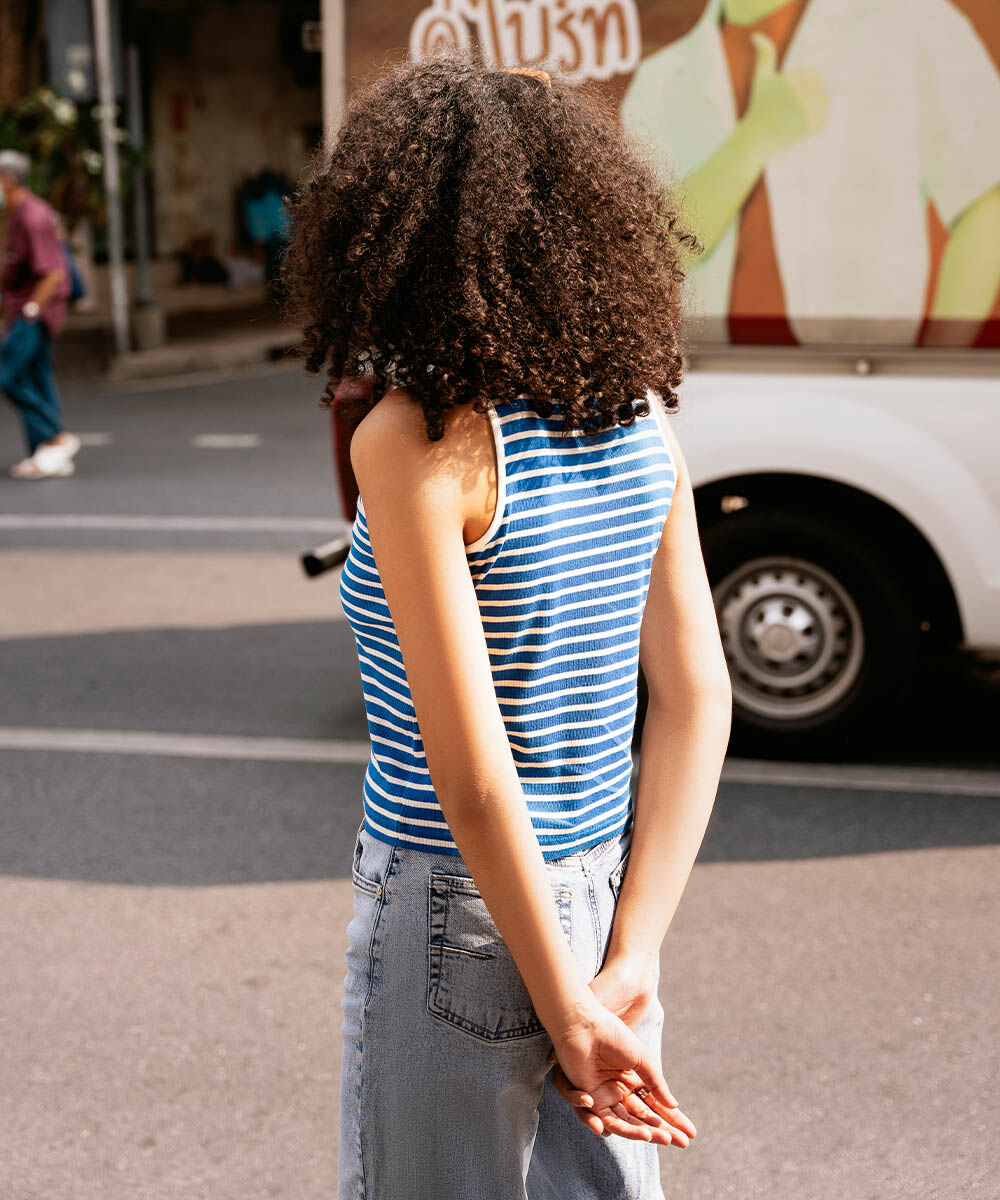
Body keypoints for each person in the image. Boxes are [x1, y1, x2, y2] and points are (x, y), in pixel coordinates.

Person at [281, 55, 732, 1199]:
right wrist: (627, 957)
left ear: (390, 242)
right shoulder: (639, 420)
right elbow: (695, 698)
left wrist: (566, 1011)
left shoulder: (416, 440)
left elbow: (475, 781)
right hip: (602, 901)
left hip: (459, 906)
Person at [622, 0, 1000, 345]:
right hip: (710, 379)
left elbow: (987, 199)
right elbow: (647, 256)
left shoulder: (912, 22)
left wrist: (935, 364)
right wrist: (755, 137)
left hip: (866, 373)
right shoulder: (658, 80)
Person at [0, 148, 80, 478]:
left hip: (35, 312)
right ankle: (46, 453)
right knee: (36, 377)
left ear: (8, 180)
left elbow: (53, 273)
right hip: (28, 310)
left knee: (7, 374)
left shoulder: (32, 216)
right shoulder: (19, 214)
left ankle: (56, 437)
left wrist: (31, 311)